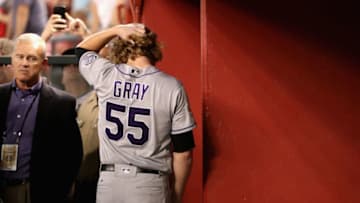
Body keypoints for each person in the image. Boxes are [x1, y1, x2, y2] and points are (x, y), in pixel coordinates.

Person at [76, 23, 196, 203]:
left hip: (109, 181)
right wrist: (177, 195)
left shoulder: (106, 75)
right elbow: (184, 152)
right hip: (149, 184)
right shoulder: (171, 87)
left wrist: (116, 30)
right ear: (153, 47)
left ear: (121, 46)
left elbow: (82, 50)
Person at [0, 33, 83, 202]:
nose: (24, 63)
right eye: (20, 57)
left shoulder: (62, 103)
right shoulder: (0, 96)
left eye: (31, 58)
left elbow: (72, 153)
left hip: (39, 192)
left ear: (44, 64)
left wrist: (60, 190)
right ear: (12, 60)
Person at [61, 48, 100, 203]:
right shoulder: (54, 101)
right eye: (66, 64)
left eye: (76, 65)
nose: (71, 69)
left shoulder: (98, 102)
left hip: (90, 183)